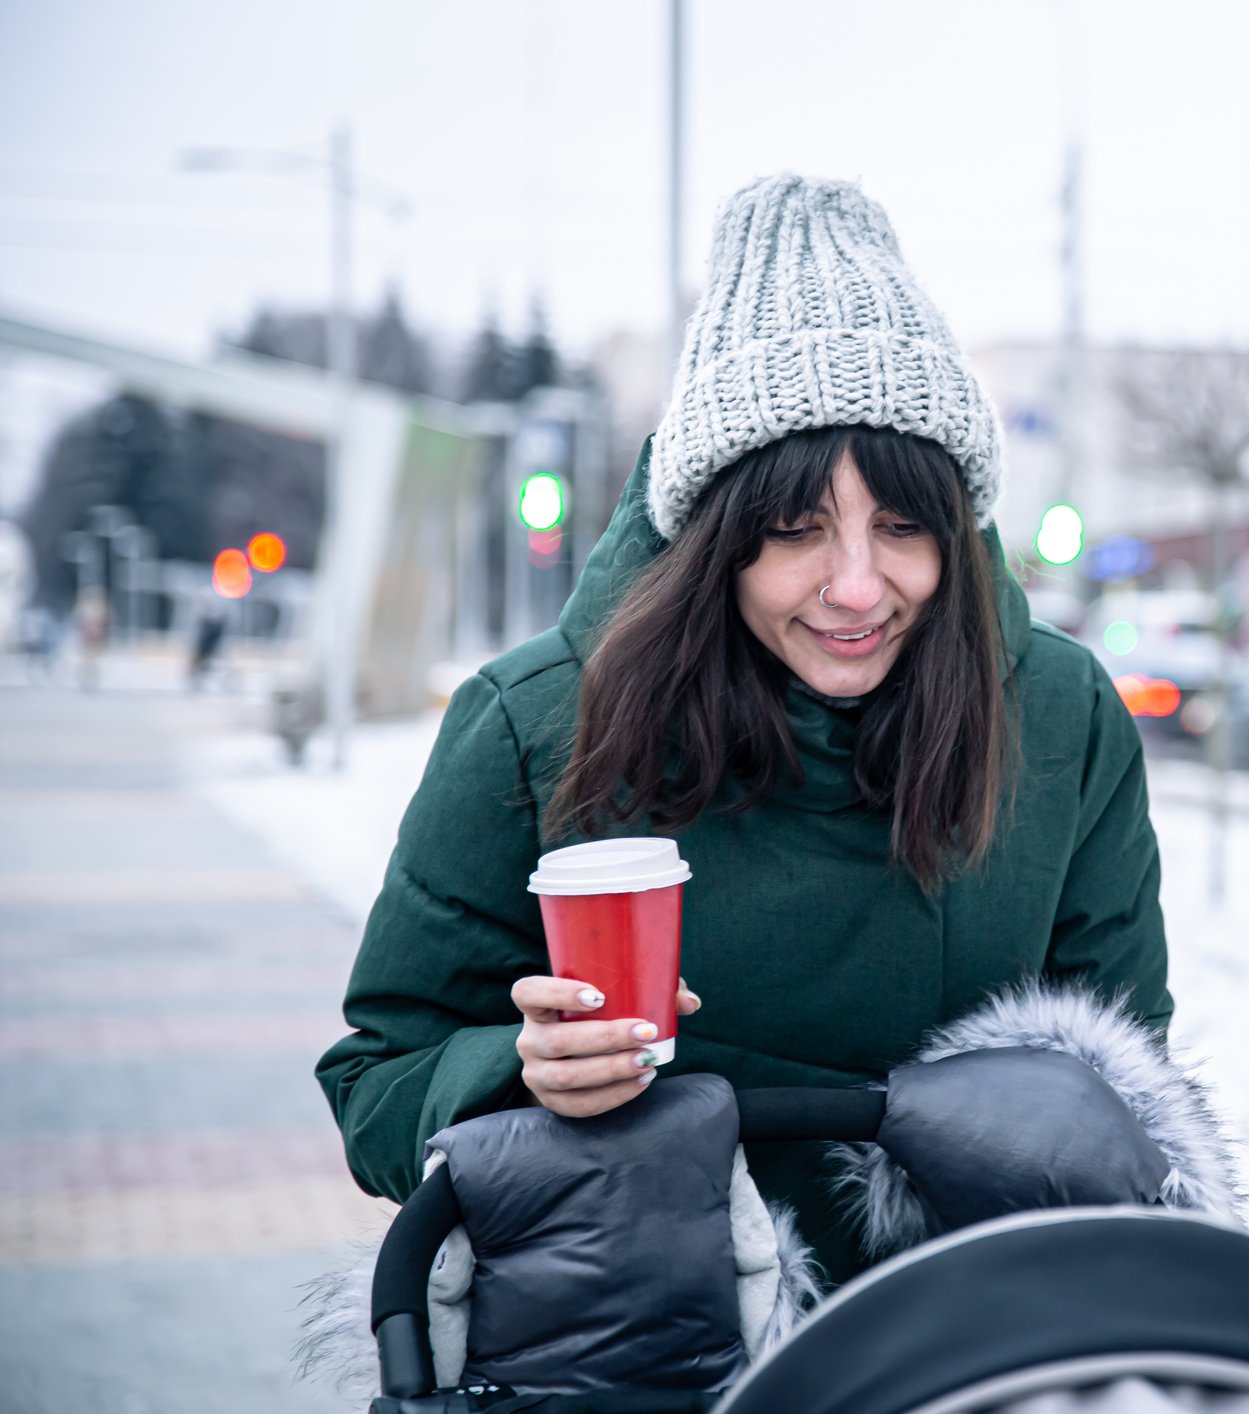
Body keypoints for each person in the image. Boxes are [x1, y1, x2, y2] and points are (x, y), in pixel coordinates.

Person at [316, 175, 1172, 1289]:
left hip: (972, 1334)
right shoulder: (537, 724)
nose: (858, 586)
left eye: (904, 526)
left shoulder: (1061, 717)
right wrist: (515, 1067)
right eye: (797, 529)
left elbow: (1126, 1081)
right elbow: (379, 1079)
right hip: (642, 1335)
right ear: (716, 536)